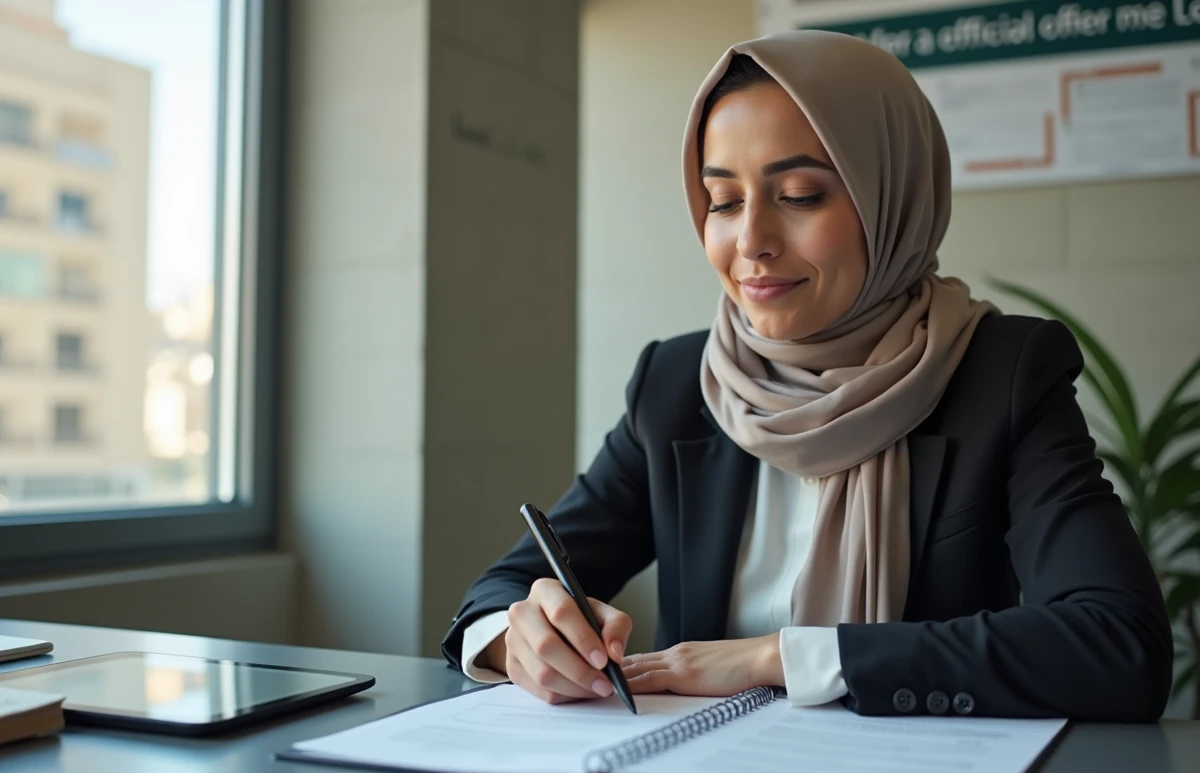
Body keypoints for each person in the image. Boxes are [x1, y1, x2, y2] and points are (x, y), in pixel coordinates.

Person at [440, 30, 1172, 720]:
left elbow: (1117, 645)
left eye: (799, 196)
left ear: (893, 200)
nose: (750, 241)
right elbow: (503, 588)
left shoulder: (1002, 373)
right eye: (722, 201)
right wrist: (518, 636)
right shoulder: (677, 382)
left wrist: (780, 658)